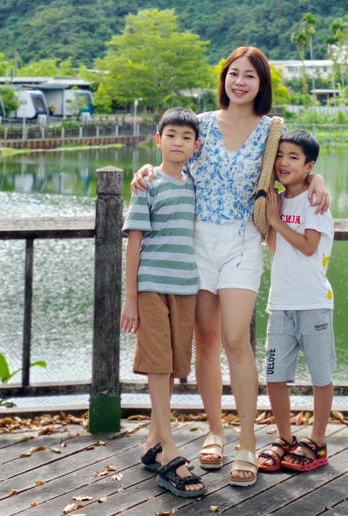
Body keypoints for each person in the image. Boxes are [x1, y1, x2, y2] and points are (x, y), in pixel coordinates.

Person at [130, 46, 328, 488]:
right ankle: (214, 432)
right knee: (206, 338)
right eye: (233, 73)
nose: (239, 82)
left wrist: (317, 179)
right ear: (224, 79)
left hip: (242, 241)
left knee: (236, 339)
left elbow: (294, 164)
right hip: (196, 241)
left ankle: (246, 440)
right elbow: (171, 157)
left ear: (262, 85)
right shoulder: (199, 124)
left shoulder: (271, 131)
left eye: (249, 76)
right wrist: (145, 168)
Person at [120, 107, 206, 499]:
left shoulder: (192, 183)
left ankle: (153, 442)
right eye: (170, 135)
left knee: (171, 366)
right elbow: (134, 242)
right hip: (152, 286)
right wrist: (131, 299)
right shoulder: (148, 184)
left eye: (186, 137)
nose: (178, 142)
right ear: (158, 139)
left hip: (185, 286)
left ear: (196, 145)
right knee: (157, 363)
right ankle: (170, 448)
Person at [257, 130, 334, 475]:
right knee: (274, 374)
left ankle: (317, 441)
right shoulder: (277, 200)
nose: (285, 163)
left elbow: (307, 246)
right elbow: (276, 249)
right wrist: (272, 218)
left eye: (294, 157)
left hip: (314, 303)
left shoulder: (315, 201)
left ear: (309, 166)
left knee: (320, 376)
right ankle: (286, 439)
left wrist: (275, 221)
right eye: (281, 156)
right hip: (280, 303)